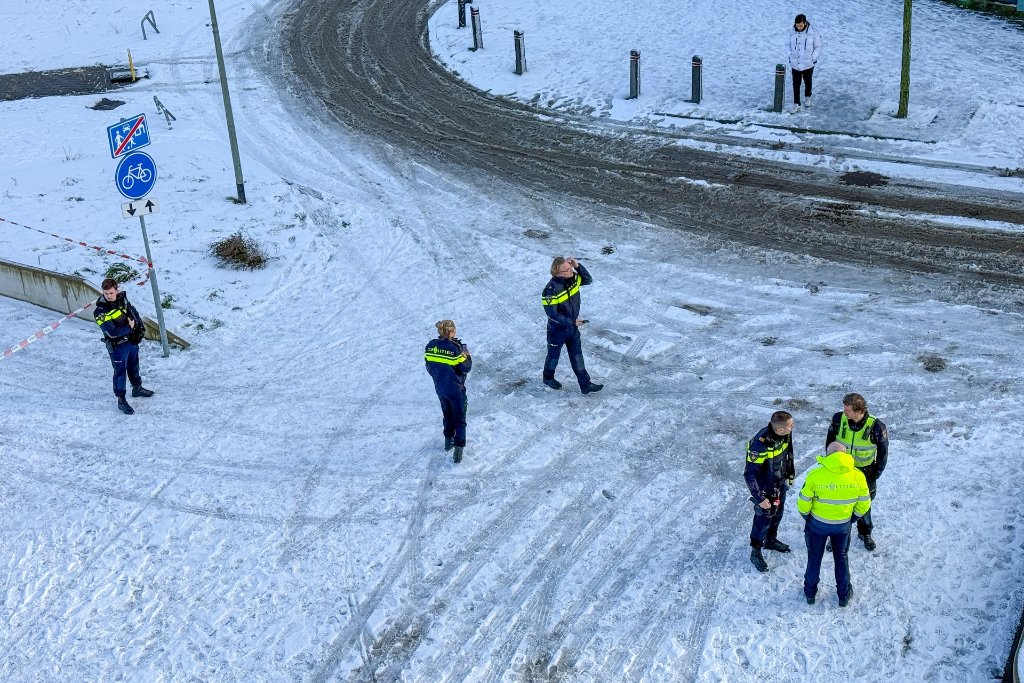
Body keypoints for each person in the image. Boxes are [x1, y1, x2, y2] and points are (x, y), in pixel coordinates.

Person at [797, 442, 871, 606]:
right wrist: (853, 518)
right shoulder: (857, 475)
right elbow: (865, 502)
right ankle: (843, 595)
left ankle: (810, 593)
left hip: (817, 525)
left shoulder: (815, 474)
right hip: (842, 526)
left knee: (814, 558)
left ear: (827, 455)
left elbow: (803, 501)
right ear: (845, 455)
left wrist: (807, 517)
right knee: (841, 559)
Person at [825, 392, 888, 551]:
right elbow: (830, 441)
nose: (844, 413)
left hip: (865, 472)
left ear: (860, 411)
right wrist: (829, 464)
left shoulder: (877, 427)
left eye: (848, 410)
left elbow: (883, 453)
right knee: (838, 504)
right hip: (840, 470)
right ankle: (836, 535)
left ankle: (865, 533)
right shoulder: (839, 419)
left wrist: (875, 474)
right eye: (844, 409)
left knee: (863, 505)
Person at [744, 410, 796, 572]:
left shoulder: (785, 434)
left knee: (777, 514)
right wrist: (760, 498)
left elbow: (789, 453)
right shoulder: (760, 445)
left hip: (780, 482)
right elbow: (750, 474)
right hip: (766, 488)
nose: (793, 427)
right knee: (763, 520)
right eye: (790, 425)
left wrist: (790, 475)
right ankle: (756, 551)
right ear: (780, 429)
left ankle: (771, 540)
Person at [541, 257, 602, 394]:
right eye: (567, 270)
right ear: (558, 273)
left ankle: (585, 384)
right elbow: (553, 315)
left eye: (570, 268)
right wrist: (572, 322)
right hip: (557, 330)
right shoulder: (550, 291)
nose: (571, 271)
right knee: (553, 355)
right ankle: (548, 377)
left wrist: (578, 266)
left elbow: (588, 280)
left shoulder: (573, 279)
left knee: (577, 355)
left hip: (572, 329)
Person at [94, 278, 154, 415]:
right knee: (120, 372)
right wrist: (130, 327)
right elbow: (112, 332)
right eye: (106, 293)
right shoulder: (100, 311)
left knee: (134, 366)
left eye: (111, 293)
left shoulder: (123, 300)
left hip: (131, 342)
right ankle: (121, 400)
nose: (108, 296)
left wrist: (139, 328)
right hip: (118, 347)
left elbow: (135, 314)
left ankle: (137, 388)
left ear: (117, 290)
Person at [425, 320, 472, 463]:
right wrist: (467, 356)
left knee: (447, 414)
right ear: (452, 332)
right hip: (456, 389)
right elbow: (465, 368)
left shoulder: (430, 346)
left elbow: (429, 366)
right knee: (459, 419)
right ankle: (458, 450)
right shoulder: (456, 349)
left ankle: (447, 441)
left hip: (440, 387)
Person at [786, 14, 822, 113]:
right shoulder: (791, 32)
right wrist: (790, 55)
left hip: (808, 63)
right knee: (796, 84)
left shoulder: (813, 33)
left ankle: (808, 96)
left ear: (805, 23)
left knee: (807, 81)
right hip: (795, 63)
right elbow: (787, 45)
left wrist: (813, 57)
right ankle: (796, 103)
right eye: (797, 26)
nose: (799, 28)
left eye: (801, 26)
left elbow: (818, 46)